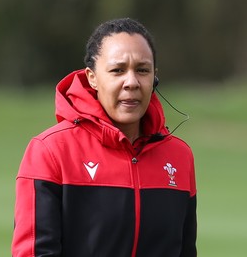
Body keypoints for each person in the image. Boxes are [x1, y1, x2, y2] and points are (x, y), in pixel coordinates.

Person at [12, 17, 197, 257]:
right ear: (92, 78)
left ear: (155, 77)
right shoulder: (51, 150)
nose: (131, 82)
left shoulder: (179, 156)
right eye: (117, 70)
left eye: (142, 70)